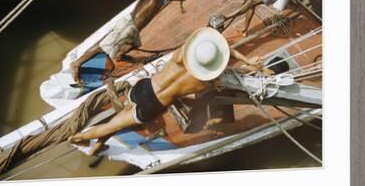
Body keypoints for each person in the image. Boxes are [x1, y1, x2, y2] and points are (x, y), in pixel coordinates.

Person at [68, 27, 262, 155]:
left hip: (143, 87)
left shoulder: (180, 55)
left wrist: (243, 60)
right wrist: (249, 63)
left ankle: (97, 146)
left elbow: (224, 49)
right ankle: (78, 138)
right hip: (152, 105)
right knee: (113, 126)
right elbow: (225, 72)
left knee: (119, 119)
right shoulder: (204, 82)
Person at [69, 0, 200, 84]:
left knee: (132, 44)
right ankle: (76, 63)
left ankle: (120, 56)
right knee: (102, 46)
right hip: (128, 25)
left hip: (134, 30)